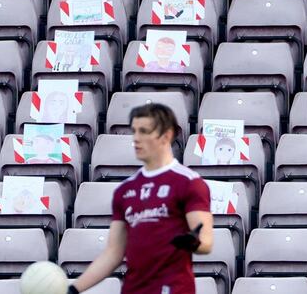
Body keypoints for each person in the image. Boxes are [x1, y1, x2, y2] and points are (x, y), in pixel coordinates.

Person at [68, 103, 213, 294]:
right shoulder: (125, 190)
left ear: (166, 135)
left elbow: (206, 242)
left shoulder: (189, 182)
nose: (136, 138)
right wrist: (73, 288)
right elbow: (113, 253)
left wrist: (193, 242)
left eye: (144, 131)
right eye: (134, 131)